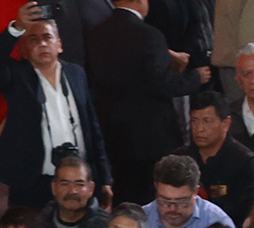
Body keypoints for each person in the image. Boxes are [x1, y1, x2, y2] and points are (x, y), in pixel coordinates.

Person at [0, 8, 111, 212]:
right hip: (34, 182)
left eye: (47, 37)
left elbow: (93, 127)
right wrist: (16, 29)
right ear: (24, 50)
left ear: (59, 45)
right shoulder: (17, 77)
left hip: (79, 180)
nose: (42, 44)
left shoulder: (76, 73)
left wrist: (105, 178)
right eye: (33, 39)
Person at [87, 0, 204, 203]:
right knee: (155, 200)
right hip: (152, 138)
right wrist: (196, 77)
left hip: (113, 135)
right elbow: (164, 83)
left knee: (125, 198)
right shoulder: (150, 34)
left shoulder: (96, 33)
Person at [144, 153, 236, 228]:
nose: (172, 209)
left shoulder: (218, 223)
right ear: (156, 188)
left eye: (181, 201)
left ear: (196, 192)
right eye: (165, 201)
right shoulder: (140, 219)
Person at [179, 94, 254, 226]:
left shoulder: (244, 162)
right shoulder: (180, 159)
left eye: (207, 121)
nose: (199, 128)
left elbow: (242, 213)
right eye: (194, 121)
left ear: (226, 123)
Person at [41, 150, 112, 228]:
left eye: (79, 184)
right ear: (54, 188)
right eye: (65, 184)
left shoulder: (109, 227)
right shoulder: (37, 226)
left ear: (91, 189)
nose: (72, 191)